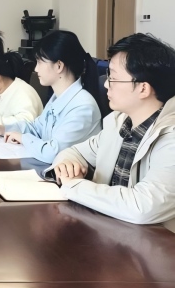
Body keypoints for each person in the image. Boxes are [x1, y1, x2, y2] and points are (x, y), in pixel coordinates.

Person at [51, 33, 175, 228]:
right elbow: (74, 152)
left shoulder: (170, 137)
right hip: (110, 231)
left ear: (143, 89)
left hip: (154, 243)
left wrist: (73, 186)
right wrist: (67, 164)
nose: (106, 84)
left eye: (113, 78)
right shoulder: (119, 123)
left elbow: (142, 207)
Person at [0, 30, 101, 163]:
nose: (36, 69)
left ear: (59, 66)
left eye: (40, 62)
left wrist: (23, 138)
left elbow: (53, 153)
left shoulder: (83, 107)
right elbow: (36, 128)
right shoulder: (58, 98)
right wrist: (3, 129)